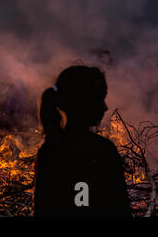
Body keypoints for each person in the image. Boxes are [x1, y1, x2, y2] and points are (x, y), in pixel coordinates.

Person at [34, 65, 131, 216]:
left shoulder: (49, 150)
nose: (105, 107)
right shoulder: (103, 151)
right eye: (100, 99)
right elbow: (120, 210)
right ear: (83, 102)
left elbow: (42, 210)